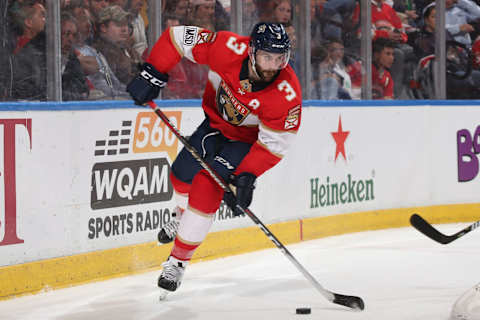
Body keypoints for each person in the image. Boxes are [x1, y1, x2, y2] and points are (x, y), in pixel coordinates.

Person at [126, 22, 302, 294]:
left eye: (280, 58)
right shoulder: (227, 48)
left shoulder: (286, 93)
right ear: (251, 51)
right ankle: (182, 216)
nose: (273, 66)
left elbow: (274, 144)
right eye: (267, 57)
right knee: (181, 175)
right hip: (214, 126)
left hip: (245, 143)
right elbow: (178, 37)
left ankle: (178, 262)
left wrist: (246, 176)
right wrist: (153, 72)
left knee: (207, 187)